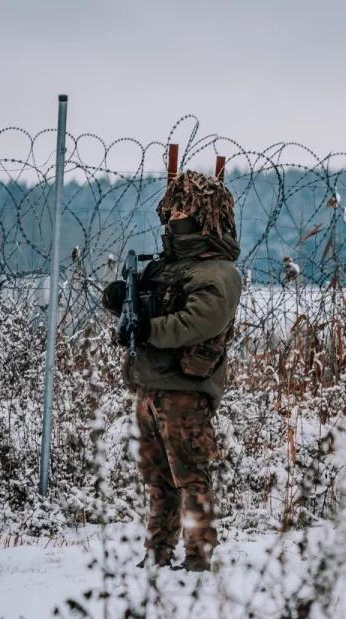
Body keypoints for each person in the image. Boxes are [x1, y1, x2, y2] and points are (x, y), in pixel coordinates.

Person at [101, 170, 242, 571]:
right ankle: (158, 552)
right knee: (158, 480)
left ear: (203, 215)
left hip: (185, 391)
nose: (173, 214)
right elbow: (148, 307)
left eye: (183, 207)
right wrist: (124, 303)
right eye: (173, 206)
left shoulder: (217, 273)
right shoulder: (168, 266)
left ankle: (199, 557)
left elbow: (199, 322)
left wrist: (147, 327)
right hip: (150, 385)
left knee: (191, 478)